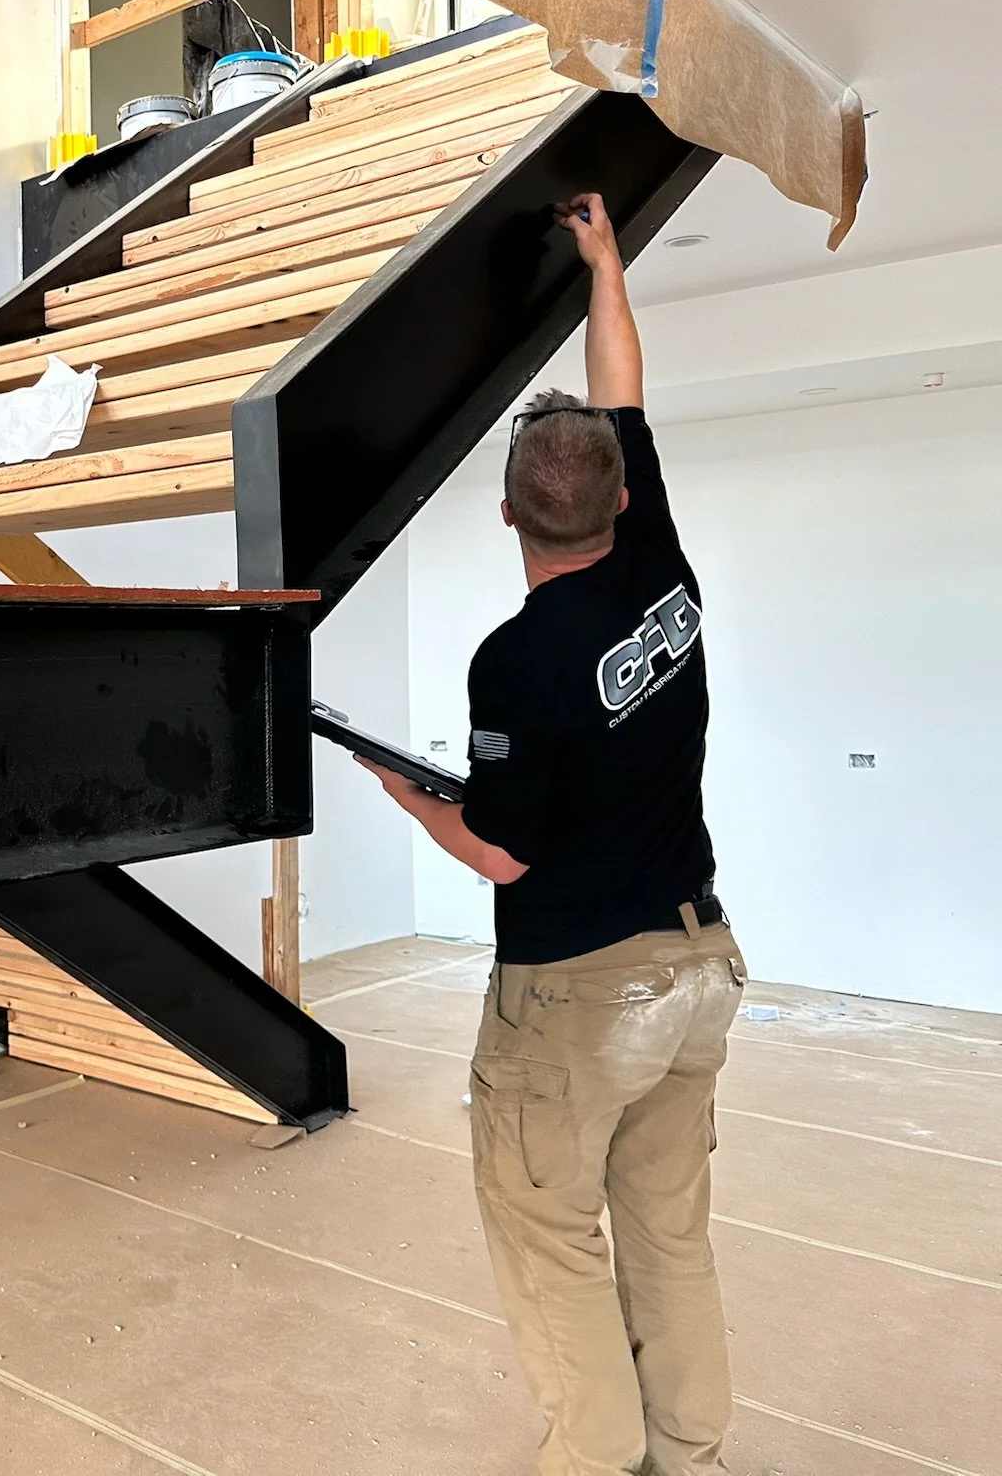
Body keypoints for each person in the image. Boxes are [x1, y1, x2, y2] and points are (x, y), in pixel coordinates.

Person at [358, 191, 745, 1476]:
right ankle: (686, 1456)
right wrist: (602, 262)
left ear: (509, 517)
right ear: (622, 497)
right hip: (695, 964)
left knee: (549, 1239)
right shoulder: (662, 570)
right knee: (667, 1233)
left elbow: (498, 852)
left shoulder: (512, 663)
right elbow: (618, 382)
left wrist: (405, 794)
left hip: (578, 990)